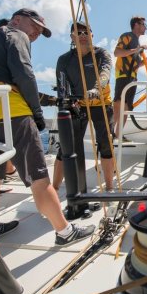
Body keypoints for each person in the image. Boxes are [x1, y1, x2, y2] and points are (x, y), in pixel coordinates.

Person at [0, 8, 95, 245]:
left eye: (40, 31)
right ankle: (64, 232)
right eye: (34, 26)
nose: (35, 33)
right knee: (38, 175)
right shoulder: (16, 35)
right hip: (12, 112)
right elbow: (24, 75)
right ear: (17, 20)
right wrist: (37, 113)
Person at [54, 20, 115, 191]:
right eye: (77, 33)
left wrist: (96, 89)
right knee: (66, 146)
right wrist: (65, 104)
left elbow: (105, 73)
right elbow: (61, 84)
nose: (82, 35)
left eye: (85, 32)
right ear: (72, 37)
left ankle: (109, 187)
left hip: (101, 104)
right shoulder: (64, 60)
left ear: (92, 35)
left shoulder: (101, 54)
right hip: (78, 105)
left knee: (106, 144)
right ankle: (54, 187)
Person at [113, 16, 147, 142]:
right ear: (136, 24)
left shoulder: (137, 42)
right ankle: (108, 133)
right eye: (144, 25)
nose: (145, 28)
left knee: (127, 108)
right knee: (119, 105)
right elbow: (117, 52)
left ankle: (118, 135)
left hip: (132, 77)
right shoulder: (127, 36)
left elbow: (136, 64)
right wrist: (136, 50)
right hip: (123, 75)